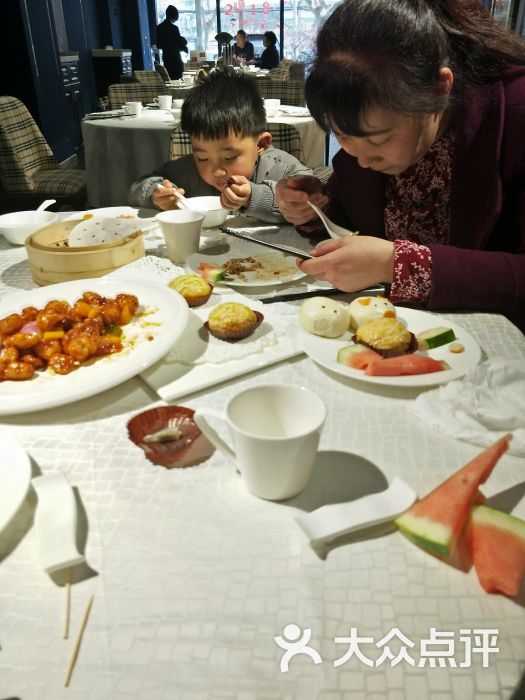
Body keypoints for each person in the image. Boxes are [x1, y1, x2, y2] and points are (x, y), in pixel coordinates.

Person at [275, 0, 525, 332]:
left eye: (378, 139)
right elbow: (349, 220)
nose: (362, 158)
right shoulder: (361, 148)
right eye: (341, 135)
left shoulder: (513, 113)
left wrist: (397, 264)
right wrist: (312, 209)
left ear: (440, 89)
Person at [129, 68, 312, 223]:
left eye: (229, 157)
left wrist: (254, 197)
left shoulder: (281, 169)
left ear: (261, 144)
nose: (216, 171)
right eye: (202, 157)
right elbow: (137, 187)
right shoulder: (186, 171)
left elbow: (311, 202)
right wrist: (156, 194)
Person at [156, 5, 188, 80]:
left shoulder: (159, 27)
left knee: (170, 80)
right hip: (176, 59)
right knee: (179, 80)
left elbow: (158, 45)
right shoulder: (174, 28)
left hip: (166, 59)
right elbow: (180, 42)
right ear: (175, 16)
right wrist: (185, 48)